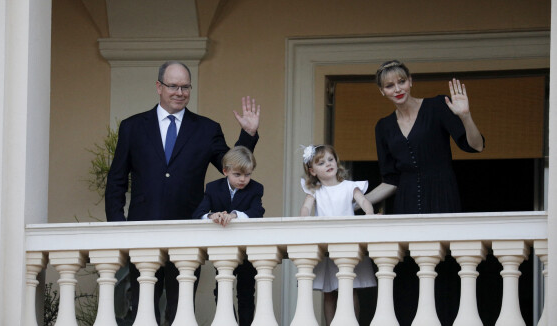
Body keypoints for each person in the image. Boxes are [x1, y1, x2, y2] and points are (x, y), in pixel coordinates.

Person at [105, 60, 261, 324]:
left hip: (187, 231)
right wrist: (117, 227)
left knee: (180, 312)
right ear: (159, 87)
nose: (180, 92)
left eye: (185, 87)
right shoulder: (133, 127)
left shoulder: (206, 128)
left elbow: (231, 167)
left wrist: (248, 134)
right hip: (142, 230)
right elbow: (116, 180)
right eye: (173, 86)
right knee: (142, 310)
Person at [366, 60, 485, 325]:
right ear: (382, 91)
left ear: (410, 81)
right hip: (405, 202)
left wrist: (465, 115)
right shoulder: (383, 127)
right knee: (409, 272)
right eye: (389, 85)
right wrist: (354, 200)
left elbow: (475, 146)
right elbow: (390, 180)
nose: (397, 88)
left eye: (401, 81)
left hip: (442, 194)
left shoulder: (436, 107)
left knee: (445, 268)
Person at [299, 144, 377, 326]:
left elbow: (364, 201)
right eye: (321, 162)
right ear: (312, 171)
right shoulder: (315, 191)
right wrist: (302, 221)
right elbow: (306, 208)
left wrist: (370, 216)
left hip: (347, 242)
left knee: (350, 289)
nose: (328, 164)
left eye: (330, 159)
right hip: (327, 244)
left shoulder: (349, 187)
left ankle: (353, 322)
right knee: (329, 292)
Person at [192, 146, 265, 326]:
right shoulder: (213, 188)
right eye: (238, 174)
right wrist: (211, 216)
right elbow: (198, 212)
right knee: (221, 291)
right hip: (223, 250)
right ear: (226, 171)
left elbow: (257, 211)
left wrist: (234, 215)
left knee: (246, 292)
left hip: (247, 249)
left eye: (247, 175)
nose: (243, 179)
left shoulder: (256, 188)